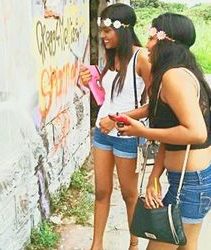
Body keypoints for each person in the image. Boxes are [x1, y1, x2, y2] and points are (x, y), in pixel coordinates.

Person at [116, 12, 211, 250]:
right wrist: (154, 176)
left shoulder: (174, 76)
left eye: (151, 36)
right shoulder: (174, 74)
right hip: (188, 179)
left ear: (165, 40)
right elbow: (171, 131)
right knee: (187, 245)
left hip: (192, 183)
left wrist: (143, 132)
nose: (147, 45)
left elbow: (196, 133)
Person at [80, 3, 151, 250]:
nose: (103, 36)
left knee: (129, 195)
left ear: (124, 28)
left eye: (108, 30)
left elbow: (153, 105)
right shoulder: (112, 57)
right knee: (101, 192)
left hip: (126, 135)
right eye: (101, 30)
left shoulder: (141, 57)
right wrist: (89, 83)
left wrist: (117, 118)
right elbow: (106, 97)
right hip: (103, 134)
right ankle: (96, 244)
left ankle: (134, 244)